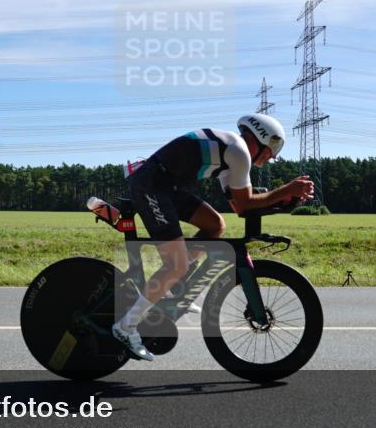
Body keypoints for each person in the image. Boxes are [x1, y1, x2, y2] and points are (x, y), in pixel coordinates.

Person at [112, 114, 314, 360]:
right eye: (272, 149)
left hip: (165, 186)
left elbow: (241, 208)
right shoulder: (238, 152)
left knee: (214, 225)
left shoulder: (230, 154)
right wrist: (286, 190)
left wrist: (285, 200)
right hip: (153, 186)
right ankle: (126, 326)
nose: (271, 157)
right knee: (176, 264)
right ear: (260, 138)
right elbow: (246, 202)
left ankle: (175, 287)